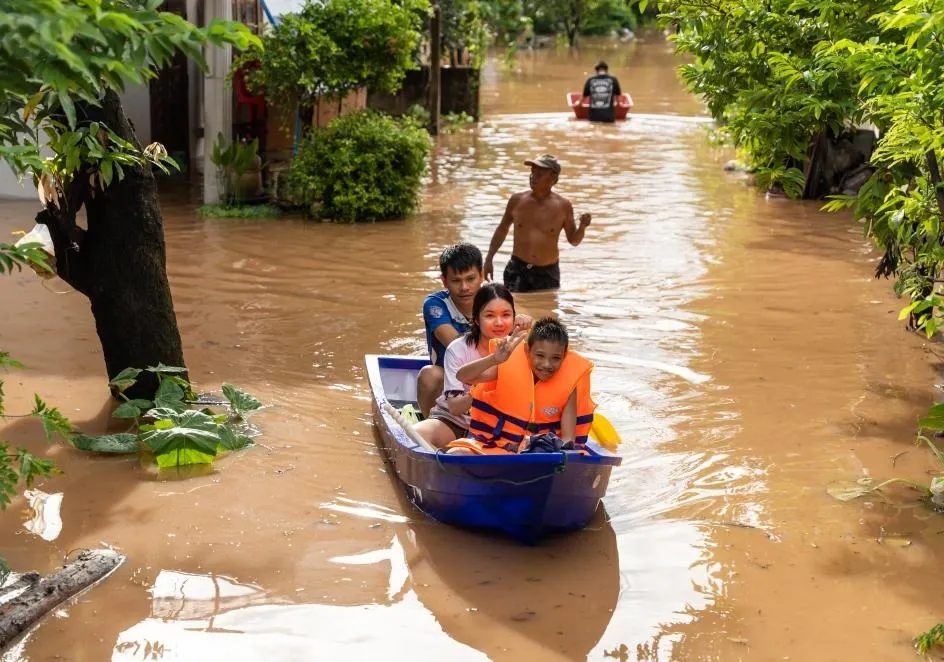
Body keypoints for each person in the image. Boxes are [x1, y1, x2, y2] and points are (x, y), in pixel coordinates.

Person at [447, 317, 596, 455]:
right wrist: (493, 359)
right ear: (527, 351)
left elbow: (567, 438)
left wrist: (563, 458)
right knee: (455, 453)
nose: (546, 364)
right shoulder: (505, 366)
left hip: (540, 454)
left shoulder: (569, 385)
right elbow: (462, 376)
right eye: (540, 356)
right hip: (495, 447)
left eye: (556, 358)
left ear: (564, 357)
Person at [418, 243, 532, 417]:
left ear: (481, 276)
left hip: (492, 369)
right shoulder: (435, 305)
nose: (464, 287)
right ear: (444, 281)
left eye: (470, 279)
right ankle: (428, 420)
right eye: (456, 280)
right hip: (452, 377)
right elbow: (455, 342)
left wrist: (524, 324)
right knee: (429, 375)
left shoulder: (495, 299)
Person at [413, 283, 518, 449]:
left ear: (514, 318)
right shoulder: (457, 349)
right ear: (476, 319)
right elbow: (455, 408)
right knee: (416, 435)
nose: (499, 323)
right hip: (455, 422)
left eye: (506, 315)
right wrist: (480, 390)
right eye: (490, 316)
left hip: (501, 427)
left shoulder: (523, 348)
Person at [483, 155, 591, 293]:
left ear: (553, 179)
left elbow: (574, 241)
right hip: (517, 269)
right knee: (514, 309)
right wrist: (489, 259)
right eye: (532, 172)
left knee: (547, 312)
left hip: (547, 273)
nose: (533, 177)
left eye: (539, 174)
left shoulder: (563, 206)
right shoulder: (517, 200)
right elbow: (502, 229)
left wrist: (582, 227)